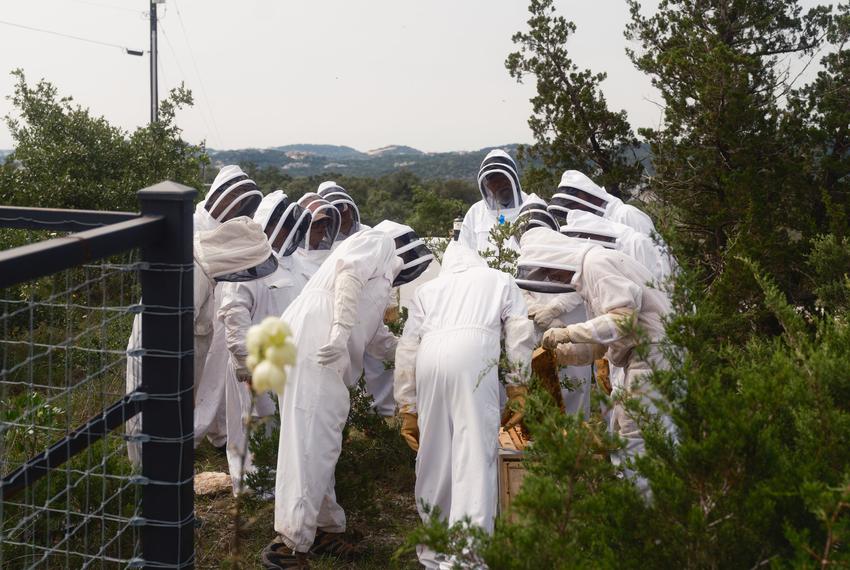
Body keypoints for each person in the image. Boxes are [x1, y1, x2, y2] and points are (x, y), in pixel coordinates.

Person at [264, 221, 433, 569]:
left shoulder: (377, 276)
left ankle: (324, 528)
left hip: (314, 334)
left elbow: (377, 339)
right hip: (320, 335)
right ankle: (289, 544)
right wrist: (339, 331)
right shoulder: (378, 240)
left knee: (318, 438)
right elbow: (349, 276)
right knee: (312, 442)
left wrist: (420, 353)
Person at [393, 241, 535, 569]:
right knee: (473, 457)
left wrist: (407, 407)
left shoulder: (429, 290)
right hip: (473, 355)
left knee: (435, 458)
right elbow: (519, 332)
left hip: (429, 360)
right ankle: (467, 559)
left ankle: (433, 552)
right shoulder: (499, 279)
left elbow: (407, 347)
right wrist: (517, 385)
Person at [516, 227, 675, 498]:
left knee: (638, 437)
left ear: (557, 255)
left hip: (653, 353)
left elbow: (623, 321)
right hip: (646, 354)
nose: (551, 278)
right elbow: (601, 344)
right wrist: (558, 353)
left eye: (548, 270)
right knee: (644, 434)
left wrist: (567, 332)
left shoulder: (597, 264)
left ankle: (651, 520)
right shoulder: (590, 274)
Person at [126, 216, 275, 468]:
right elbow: (167, 339)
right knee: (152, 446)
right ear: (235, 254)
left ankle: (165, 495)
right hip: (160, 377)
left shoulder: (201, 272)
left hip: (174, 379)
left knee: (169, 446)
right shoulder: (191, 274)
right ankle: (148, 498)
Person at [217, 191, 312, 492]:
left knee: (281, 422)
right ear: (269, 225)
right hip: (255, 363)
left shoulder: (291, 263)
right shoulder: (246, 263)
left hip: (285, 359)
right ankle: (253, 487)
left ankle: (280, 482)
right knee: (256, 421)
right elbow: (233, 313)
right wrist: (246, 364)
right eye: (284, 226)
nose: (289, 233)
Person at [194, 166, 265, 450]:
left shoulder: (232, 229)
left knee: (216, 379)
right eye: (231, 196)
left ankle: (219, 432)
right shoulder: (192, 224)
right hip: (193, 318)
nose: (234, 204)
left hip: (221, 315)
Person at [317, 181, 399, 416]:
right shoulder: (322, 239)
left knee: (375, 361)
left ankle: (380, 409)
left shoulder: (368, 234)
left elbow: (386, 272)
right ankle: (351, 410)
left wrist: (389, 306)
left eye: (345, 208)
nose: (343, 215)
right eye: (336, 210)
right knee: (341, 362)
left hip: (368, 308)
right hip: (336, 309)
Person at [457, 149, 529, 254]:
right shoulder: (475, 212)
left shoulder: (532, 207)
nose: (501, 184)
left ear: (513, 178)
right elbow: (463, 251)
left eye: (504, 178)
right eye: (495, 181)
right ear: (488, 186)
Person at [548, 170, 657, 236]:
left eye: (573, 203)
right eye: (569, 206)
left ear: (589, 193)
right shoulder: (593, 226)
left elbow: (655, 255)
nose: (573, 210)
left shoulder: (626, 214)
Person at [292, 193, 342, 279]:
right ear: (302, 224)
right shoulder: (292, 257)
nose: (321, 228)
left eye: (324, 222)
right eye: (316, 223)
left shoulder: (335, 252)